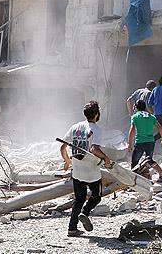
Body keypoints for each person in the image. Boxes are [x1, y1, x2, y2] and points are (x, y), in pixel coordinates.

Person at [60, 101, 112, 238]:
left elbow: (62, 147)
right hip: (91, 171)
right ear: (97, 114)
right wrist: (106, 158)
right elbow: (94, 149)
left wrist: (67, 161)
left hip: (77, 170)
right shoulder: (96, 129)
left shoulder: (75, 127)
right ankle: (85, 212)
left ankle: (72, 229)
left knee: (79, 199)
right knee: (96, 196)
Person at [127, 100, 162, 180]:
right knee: (149, 160)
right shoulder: (151, 116)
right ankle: (160, 173)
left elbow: (132, 130)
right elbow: (160, 127)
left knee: (135, 162)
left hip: (140, 142)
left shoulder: (135, 117)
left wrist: (130, 144)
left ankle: (134, 181)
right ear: (145, 107)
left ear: (136, 108)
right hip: (150, 142)